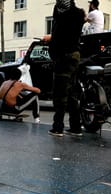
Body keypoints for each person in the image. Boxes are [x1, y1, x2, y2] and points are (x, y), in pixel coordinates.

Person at [44, 0, 85, 137]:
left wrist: (51, 41)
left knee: (60, 93)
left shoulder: (63, 15)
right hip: (74, 55)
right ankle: (75, 127)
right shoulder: (77, 13)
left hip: (63, 56)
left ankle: (58, 127)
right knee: (72, 93)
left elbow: (60, 36)